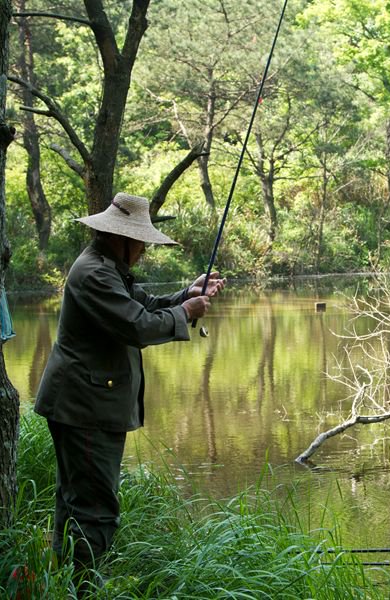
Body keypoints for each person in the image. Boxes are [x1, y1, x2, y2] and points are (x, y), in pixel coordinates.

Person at [34, 192, 225, 596]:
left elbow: (146, 305)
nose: (143, 251)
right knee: (97, 510)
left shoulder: (106, 268)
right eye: (140, 242)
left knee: (75, 504)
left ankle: (67, 584)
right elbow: (137, 326)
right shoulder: (95, 274)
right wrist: (186, 314)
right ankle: (84, 588)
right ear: (118, 237)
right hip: (85, 408)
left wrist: (186, 296)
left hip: (83, 405)